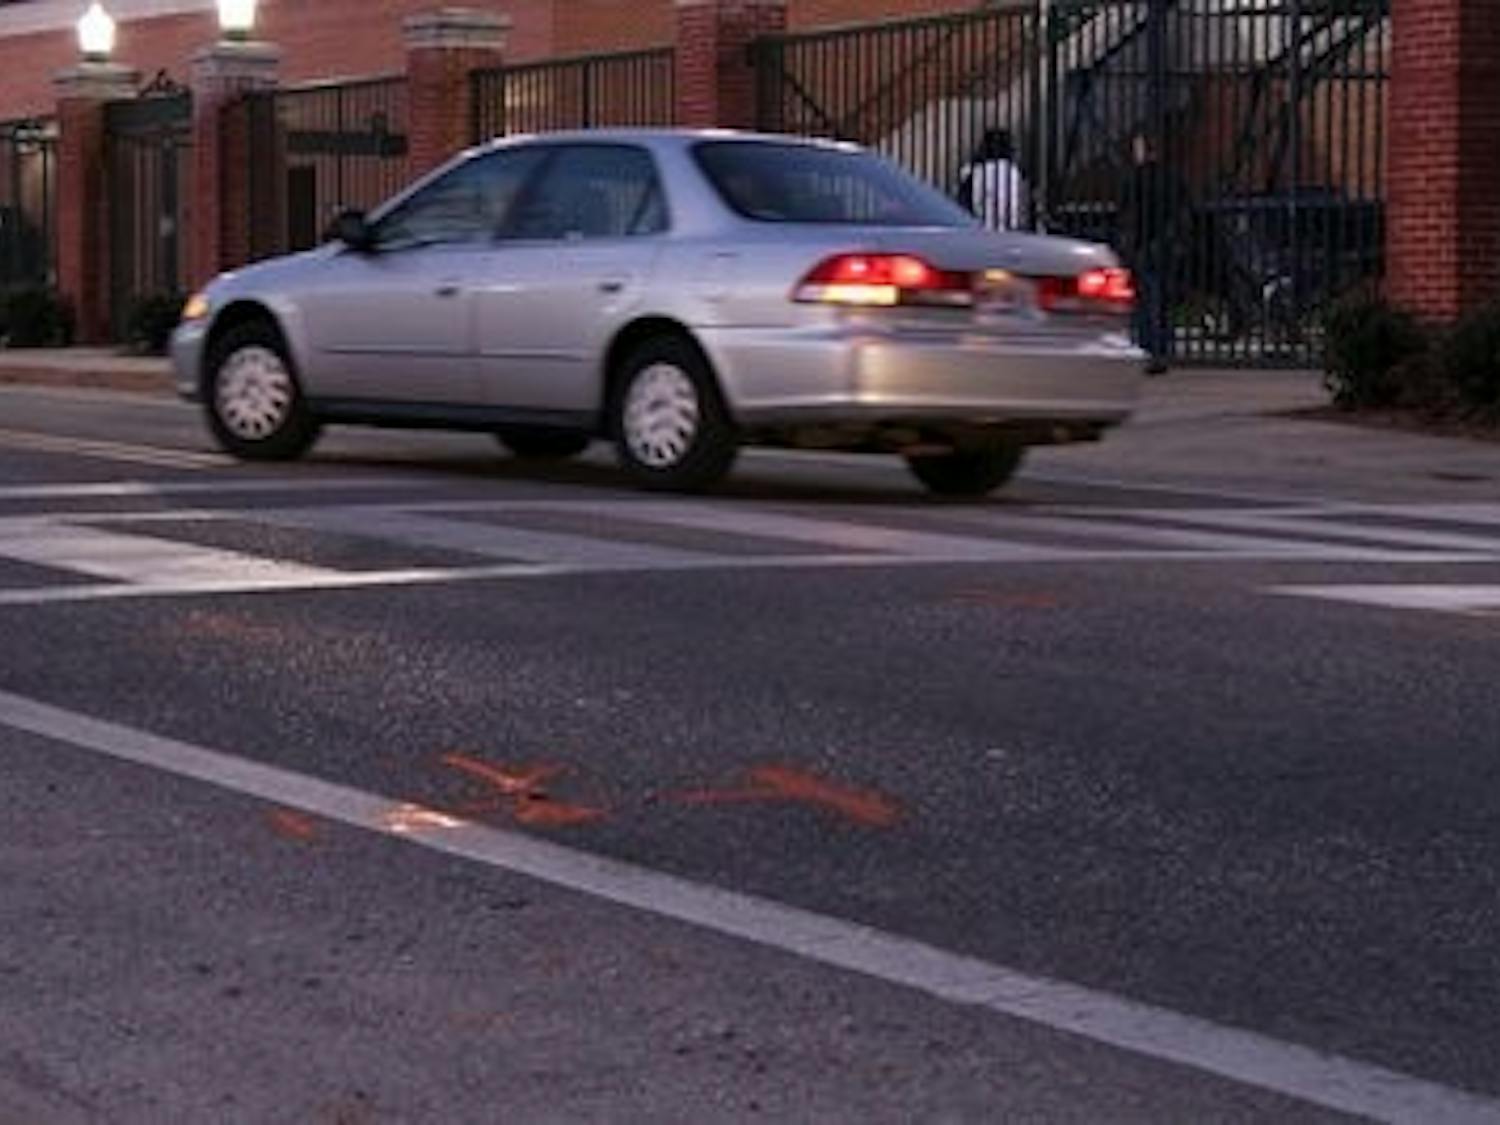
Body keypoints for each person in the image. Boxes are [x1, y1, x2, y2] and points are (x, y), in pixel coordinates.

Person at [1118, 131, 1189, 374]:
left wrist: (1128, 245)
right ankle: (1164, 349)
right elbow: (1184, 213)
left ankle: (1149, 350)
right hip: (1166, 246)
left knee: (1146, 303)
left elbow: (1126, 215)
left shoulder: (1135, 179)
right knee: (1162, 301)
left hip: (1142, 246)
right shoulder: (1173, 178)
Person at [959, 129, 1029, 232]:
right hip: (1010, 228)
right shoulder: (1015, 171)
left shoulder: (974, 170)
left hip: (980, 228)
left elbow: (966, 201)